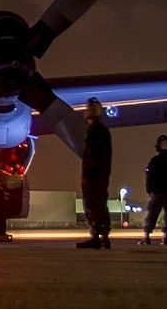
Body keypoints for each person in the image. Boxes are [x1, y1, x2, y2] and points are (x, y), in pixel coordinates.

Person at [75, 99, 113, 250]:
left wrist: (90, 174)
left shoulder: (96, 131)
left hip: (94, 176)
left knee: (93, 204)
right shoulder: (100, 131)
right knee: (98, 204)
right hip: (97, 175)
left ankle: (98, 237)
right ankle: (101, 236)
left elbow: (95, 156)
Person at [141, 134, 167, 245]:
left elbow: (148, 175)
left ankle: (146, 237)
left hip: (157, 192)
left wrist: (149, 190)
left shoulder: (154, 161)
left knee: (152, 214)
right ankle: (165, 237)